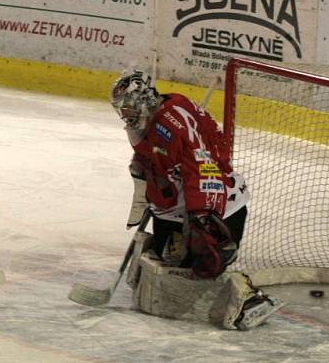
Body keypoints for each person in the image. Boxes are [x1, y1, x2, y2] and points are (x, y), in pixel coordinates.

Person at [109, 69, 284, 330]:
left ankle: (249, 299)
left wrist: (203, 217)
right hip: (175, 209)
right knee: (167, 259)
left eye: (128, 108)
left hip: (217, 208)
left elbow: (205, 168)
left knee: (202, 267)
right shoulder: (144, 123)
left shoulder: (175, 122)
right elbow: (149, 160)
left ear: (144, 100)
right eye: (122, 109)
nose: (125, 115)